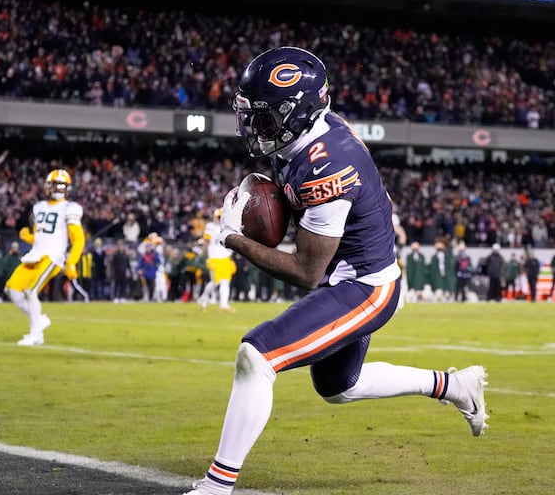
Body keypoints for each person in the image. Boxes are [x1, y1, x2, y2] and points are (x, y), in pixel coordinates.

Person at [181, 47, 487, 495]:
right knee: (340, 385)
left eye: (265, 117)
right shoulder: (305, 135)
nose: (253, 127)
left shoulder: (328, 164)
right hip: (345, 275)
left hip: (364, 287)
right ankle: (453, 385)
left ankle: (216, 486)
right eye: (251, 115)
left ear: (298, 112)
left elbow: (306, 271)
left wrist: (233, 238)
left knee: (257, 356)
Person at [5, 169, 85, 346]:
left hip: (53, 256)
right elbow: (42, 235)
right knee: (12, 290)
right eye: (57, 184)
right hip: (35, 255)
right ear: (49, 186)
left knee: (30, 291)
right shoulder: (39, 206)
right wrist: (29, 238)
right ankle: (39, 321)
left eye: (63, 185)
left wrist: (71, 262)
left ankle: (35, 333)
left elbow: (78, 238)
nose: (59, 188)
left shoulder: (70, 208)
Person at [198, 208, 237, 312]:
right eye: (219, 217)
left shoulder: (230, 228)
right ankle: (204, 300)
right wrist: (204, 255)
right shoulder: (210, 227)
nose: (220, 219)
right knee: (215, 282)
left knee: (225, 282)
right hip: (214, 257)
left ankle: (223, 305)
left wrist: (230, 258)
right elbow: (206, 241)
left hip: (225, 258)